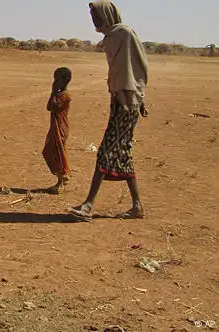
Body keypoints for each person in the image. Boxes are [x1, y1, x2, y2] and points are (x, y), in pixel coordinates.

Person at [68, 0, 149, 221]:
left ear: (108, 15)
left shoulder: (125, 34)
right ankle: (137, 207)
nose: (94, 21)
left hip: (127, 102)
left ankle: (88, 206)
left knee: (106, 151)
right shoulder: (111, 37)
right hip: (119, 100)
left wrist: (137, 97)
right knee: (122, 152)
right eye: (92, 17)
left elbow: (138, 66)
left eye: (97, 17)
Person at [43, 67, 72, 194]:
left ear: (64, 80)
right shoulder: (58, 94)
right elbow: (49, 107)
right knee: (50, 150)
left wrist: (54, 92)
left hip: (60, 127)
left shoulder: (65, 95)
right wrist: (53, 92)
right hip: (55, 127)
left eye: (57, 79)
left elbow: (54, 107)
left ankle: (61, 182)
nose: (54, 81)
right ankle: (63, 176)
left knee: (58, 152)